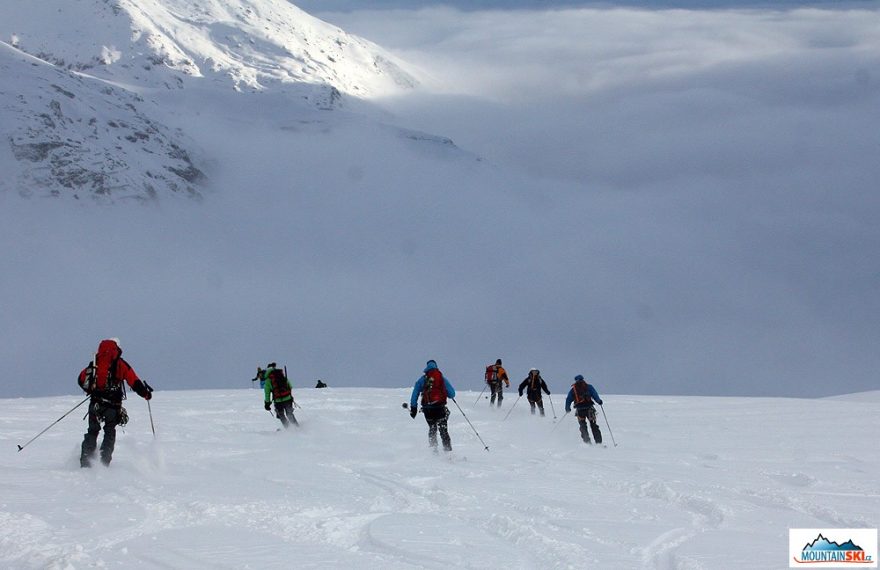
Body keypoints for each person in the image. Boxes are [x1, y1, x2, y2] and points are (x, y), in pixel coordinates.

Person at [77, 338, 153, 467]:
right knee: (109, 431)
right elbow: (133, 381)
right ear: (117, 348)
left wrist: (92, 390)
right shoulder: (120, 364)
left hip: (95, 404)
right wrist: (145, 394)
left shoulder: (95, 362)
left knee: (92, 431)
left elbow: (81, 379)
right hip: (113, 406)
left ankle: (86, 461)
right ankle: (104, 462)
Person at [409, 359, 456, 452]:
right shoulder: (441, 378)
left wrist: (413, 408)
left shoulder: (422, 379)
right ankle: (448, 453)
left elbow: (415, 394)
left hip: (428, 409)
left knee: (432, 428)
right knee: (443, 430)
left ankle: (433, 452)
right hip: (440, 408)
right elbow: (452, 394)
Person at [564, 375, 603, 444]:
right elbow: (595, 394)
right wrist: (599, 401)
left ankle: (587, 442)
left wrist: (567, 408)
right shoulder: (589, 387)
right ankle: (598, 442)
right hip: (589, 409)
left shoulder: (573, 389)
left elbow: (568, 399)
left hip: (580, 410)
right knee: (593, 425)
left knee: (583, 426)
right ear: (583, 379)